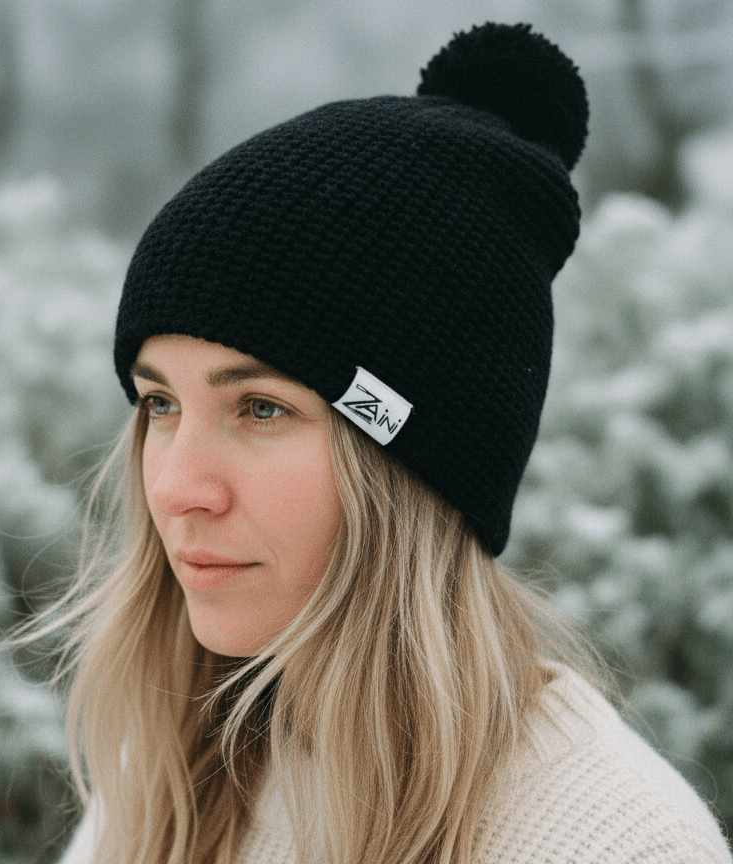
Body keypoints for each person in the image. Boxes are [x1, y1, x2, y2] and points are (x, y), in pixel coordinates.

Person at [37, 22, 732, 864]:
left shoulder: (611, 843)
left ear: (411, 461)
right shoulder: (167, 784)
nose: (179, 486)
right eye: (159, 403)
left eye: (261, 408)